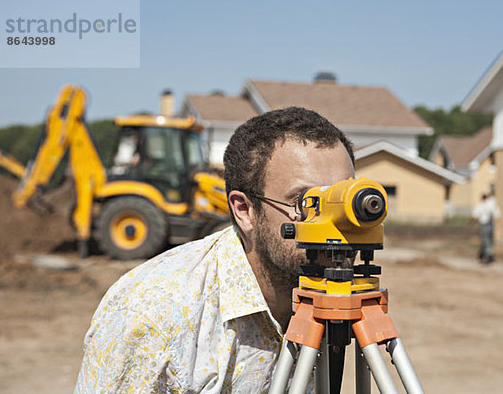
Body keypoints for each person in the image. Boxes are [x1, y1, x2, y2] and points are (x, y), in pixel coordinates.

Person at [74, 107, 355, 393]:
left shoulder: (331, 300)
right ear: (244, 210)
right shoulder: (152, 312)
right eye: (306, 201)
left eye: (344, 198)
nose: (336, 222)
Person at [472, 193, 501, 264]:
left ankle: (489, 256)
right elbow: (497, 216)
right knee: (488, 240)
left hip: (484, 225)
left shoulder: (480, 206)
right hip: (491, 225)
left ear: (482, 198)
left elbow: (474, 216)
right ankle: (481, 254)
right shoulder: (492, 205)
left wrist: (470, 222)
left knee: (485, 240)